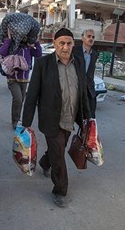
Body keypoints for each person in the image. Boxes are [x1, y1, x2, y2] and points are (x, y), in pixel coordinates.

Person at [22, 28, 90, 208]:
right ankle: (60, 190)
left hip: (70, 117)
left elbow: (83, 92)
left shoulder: (79, 63)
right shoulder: (43, 64)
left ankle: (45, 162)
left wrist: (87, 118)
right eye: (62, 43)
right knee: (59, 154)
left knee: (57, 150)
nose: (65, 47)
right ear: (54, 43)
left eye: (69, 43)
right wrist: (25, 124)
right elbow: (32, 96)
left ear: (73, 44)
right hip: (51, 119)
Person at [0, 29, 42, 130]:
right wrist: (8, 40)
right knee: (18, 99)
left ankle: (16, 118)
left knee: (21, 100)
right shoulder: (12, 47)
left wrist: (36, 42)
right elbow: (2, 52)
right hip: (12, 78)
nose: (23, 38)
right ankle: (15, 120)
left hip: (24, 79)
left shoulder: (28, 48)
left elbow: (38, 54)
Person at [73, 29, 98, 118]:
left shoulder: (94, 55)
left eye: (93, 37)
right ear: (83, 38)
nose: (91, 38)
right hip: (75, 88)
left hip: (89, 90)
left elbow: (91, 73)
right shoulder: (74, 51)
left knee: (90, 117)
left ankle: (86, 131)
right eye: (89, 36)